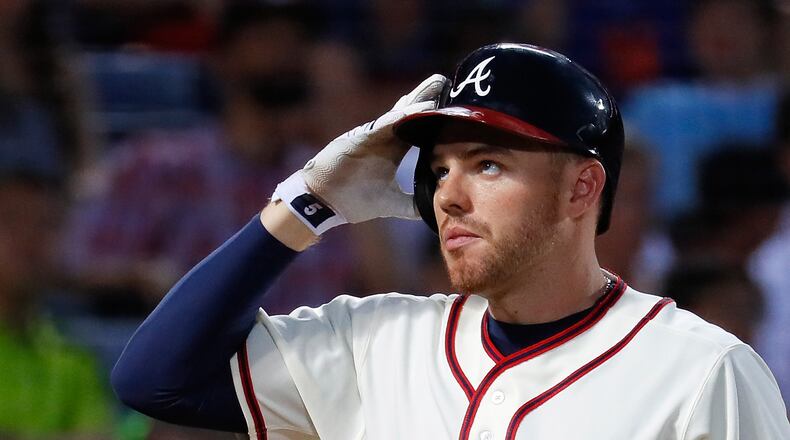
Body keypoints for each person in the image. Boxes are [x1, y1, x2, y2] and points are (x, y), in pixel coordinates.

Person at [112, 44, 790, 438]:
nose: (449, 195)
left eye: (487, 165)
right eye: (439, 169)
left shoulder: (702, 374)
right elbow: (156, 379)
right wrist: (304, 206)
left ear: (582, 188)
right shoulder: (375, 342)